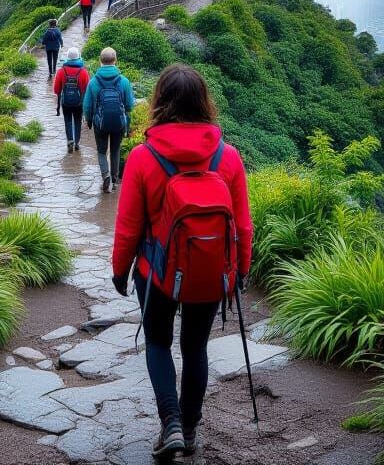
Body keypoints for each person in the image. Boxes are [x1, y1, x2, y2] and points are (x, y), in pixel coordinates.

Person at [111, 64, 253, 459]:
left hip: (155, 273)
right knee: (195, 348)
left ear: (159, 102)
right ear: (205, 103)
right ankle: (189, 429)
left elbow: (128, 225)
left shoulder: (143, 157)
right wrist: (241, 270)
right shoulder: (228, 157)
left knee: (158, 342)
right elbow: (242, 224)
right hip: (209, 272)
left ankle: (170, 423)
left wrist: (120, 270)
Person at [83, 46, 135, 192]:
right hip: (119, 122)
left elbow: (87, 106)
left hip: (100, 123)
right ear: (115, 60)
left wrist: (89, 120)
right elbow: (129, 105)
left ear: (100, 60)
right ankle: (114, 179)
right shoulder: (124, 81)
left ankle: (105, 174)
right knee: (115, 149)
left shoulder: (93, 82)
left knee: (101, 151)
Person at [54, 46, 90, 154]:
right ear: (78, 57)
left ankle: (70, 140)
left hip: (66, 102)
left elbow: (56, 90)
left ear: (68, 57)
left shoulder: (61, 71)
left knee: (68, 121)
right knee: (78, 122)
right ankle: (77, 143)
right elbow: (88, 89)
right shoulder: (83, 72)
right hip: (79, 102)